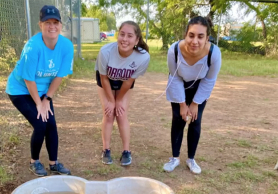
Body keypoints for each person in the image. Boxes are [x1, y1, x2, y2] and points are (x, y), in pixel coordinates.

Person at [6, 5, 74, 177]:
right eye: (47, 22)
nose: (52, 26)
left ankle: (54, 164)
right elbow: (28, 79)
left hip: (43, 90)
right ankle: (34, 162)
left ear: (60, 25)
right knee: (40, 123)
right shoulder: (32, 47)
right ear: (40, 25)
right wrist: (38, 103)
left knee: (51, 124)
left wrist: (47, 99)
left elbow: (59, 76)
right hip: (20, 89)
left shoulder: (66, 46)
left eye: (55, 22)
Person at [163, 16, 221, 174]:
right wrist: (182, 104)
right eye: (191, 35)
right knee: (178, 119)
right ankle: (174, 158)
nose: (195, 41)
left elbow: (209, 81)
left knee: (195, 121)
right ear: (185, 35)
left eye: (200, 36)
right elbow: (174, 77)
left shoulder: (214, 54)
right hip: (178, 85)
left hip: (200, 87)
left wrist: (195, 104)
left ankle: (191, 159)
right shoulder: (173, 50)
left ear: (207, 38)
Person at [95, 21, 150, 166]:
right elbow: (103, 78)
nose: (125, 39)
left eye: (130, 36)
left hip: (124, 82)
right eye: (122, 34)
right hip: (106, 79)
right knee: (109, 113)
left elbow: (128, 82)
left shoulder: (143, 57)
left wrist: (118, 100)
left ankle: (126, 151)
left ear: (137, 40)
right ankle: (106, 149)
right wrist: (111, 101)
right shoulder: (105, 52)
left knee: (121, 113)